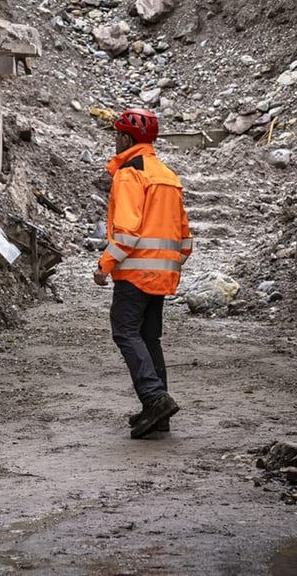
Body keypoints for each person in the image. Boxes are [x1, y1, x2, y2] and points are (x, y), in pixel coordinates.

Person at [92, 108, 192, 438]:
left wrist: (104, 266)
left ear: (124, 138)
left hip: (134, 274)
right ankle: (158, 411)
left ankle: (155, 398)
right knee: (149, 338)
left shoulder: (129, 173)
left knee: (125, 332)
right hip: (161, 275)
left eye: (116, 135)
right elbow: (185, 239)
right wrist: (166, 265)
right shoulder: (168, 174)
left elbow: (126, 234)